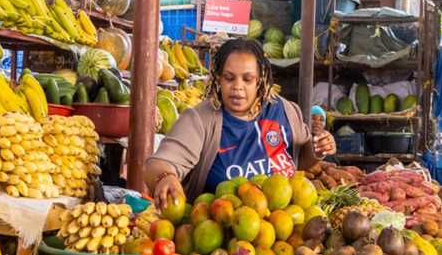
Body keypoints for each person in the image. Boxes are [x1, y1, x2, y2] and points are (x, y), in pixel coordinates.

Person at [144, 38, 337, 207]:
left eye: (247, 79)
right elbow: (158, 164)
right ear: (218, 79)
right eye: (229, 78)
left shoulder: (283, 111)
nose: (237, 87)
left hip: (283, 235)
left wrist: (317, 149)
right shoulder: (200, 120)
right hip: (221, 233)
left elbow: (299, 160)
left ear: (260, 80)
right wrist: (165, 177)